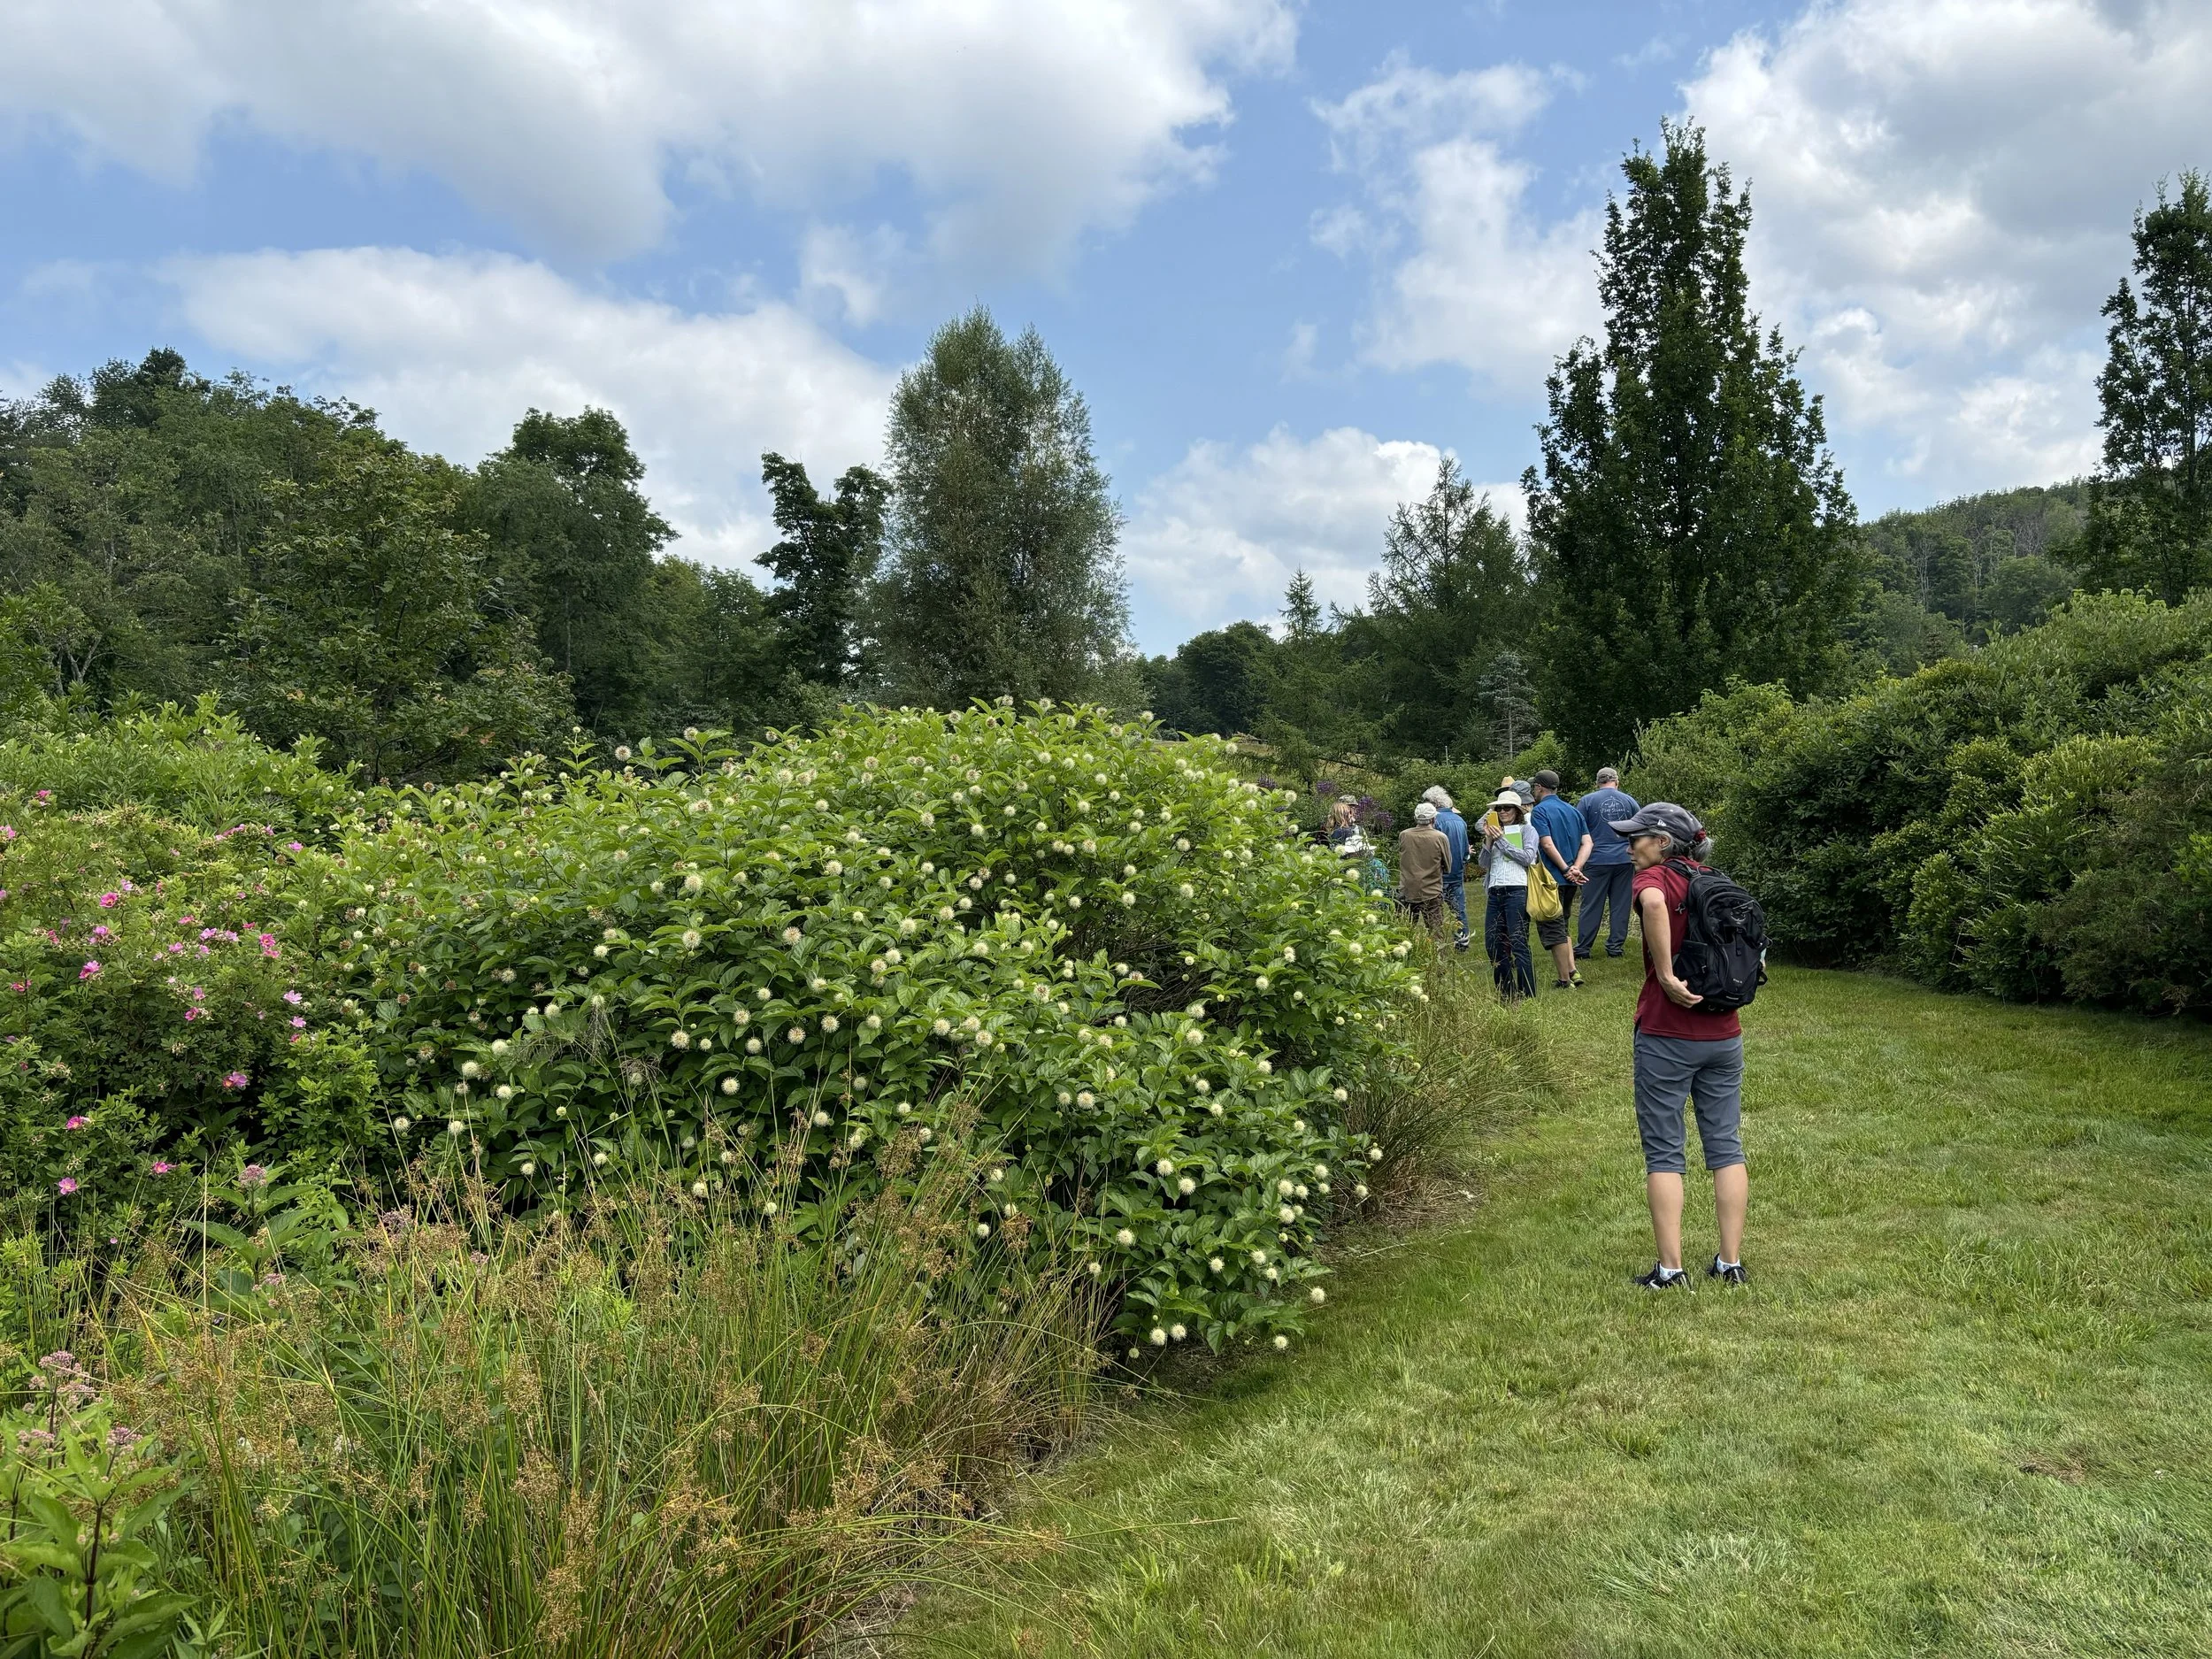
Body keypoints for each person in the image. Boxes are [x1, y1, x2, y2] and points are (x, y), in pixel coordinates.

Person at [1614, 801, 1747, 1290]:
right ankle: (1729, 1262)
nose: (1629, 847)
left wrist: (1667, 975)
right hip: (1724, 1032)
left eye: (1637, 838)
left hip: (1668, 1033)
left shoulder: (1658, 881)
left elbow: (1650, 905)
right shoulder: (1713, 879)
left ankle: (1670, 1269)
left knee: (1666, 1151)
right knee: (1726, 1146)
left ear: (1663, 843)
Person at [1528, 770, 1590, 990]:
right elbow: (1588, 842)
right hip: (1572, 878)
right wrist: (1577, 868)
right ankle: (1573, 971)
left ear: (1539, 788)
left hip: (1551, 878)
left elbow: (1546, 843)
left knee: (1553, 928)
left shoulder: (1540, 811)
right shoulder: (1572, 810)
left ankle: (1564, 979)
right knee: (1563, 925)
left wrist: (1565, 868)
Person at [1476, 787, 1539, 1001]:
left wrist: (1501, 840)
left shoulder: (1526, 830)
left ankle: (1527, 993)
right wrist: (1489, 840)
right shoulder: (1494, 832)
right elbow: (1484, 864)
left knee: (1518, 941)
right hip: (1495, 891)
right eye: (1498, 809)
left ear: (1517, 811)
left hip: (1517, 889)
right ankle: (1505, 991)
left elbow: (1527, 858)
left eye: (1507, 808)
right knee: (1493, 943)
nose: (1503, 812)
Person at [1575, 765, 1641, 960]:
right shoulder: (1629, 801)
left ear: (1597, 782)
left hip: (1596, 859)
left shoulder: (1587, 801)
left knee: (1591, 904)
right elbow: (1639, 828)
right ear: (1616, 782)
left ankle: (1583, 948)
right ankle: (1615, 947)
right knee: (1621, 905)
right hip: (1624, 859)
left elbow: (1579, 829)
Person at [1423, 786, 1471, 950]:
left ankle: (1439, 945)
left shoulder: (1436, 821)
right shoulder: (1460, 821)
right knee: (1459, 911)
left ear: (1433, 803)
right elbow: (1466, 850)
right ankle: (1462, 942)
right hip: (1457, 872)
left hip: (1439, 873)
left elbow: (1432, 848)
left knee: (1436, 912)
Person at [1397, 801, 1452, 937]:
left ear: (1415, 818)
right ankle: (1437, 958)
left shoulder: (1404, 835)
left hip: (1407, 890)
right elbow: (1448, 866)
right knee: (1436, 934)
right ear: (1433, 818)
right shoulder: (1440, 837)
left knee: (1403, 934)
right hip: (1431, 891)